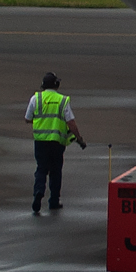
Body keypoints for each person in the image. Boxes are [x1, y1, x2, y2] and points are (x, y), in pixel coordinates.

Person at [24, 72, 85, 215]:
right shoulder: (62, 100)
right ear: (56, 84)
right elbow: (71, 122)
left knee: (41, 169)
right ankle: (53, 201)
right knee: (56, 171)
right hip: (57, 142)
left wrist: (40, 121)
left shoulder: (36, 99)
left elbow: (27, 118)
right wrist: (79, 138)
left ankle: (38, 192)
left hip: (40, 141)